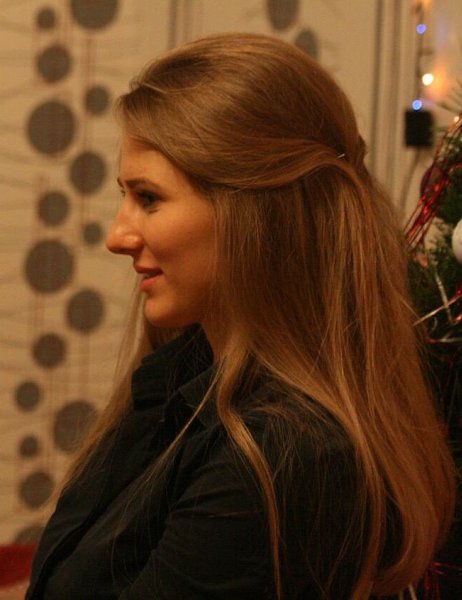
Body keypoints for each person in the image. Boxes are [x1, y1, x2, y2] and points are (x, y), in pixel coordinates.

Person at [26, 33, 455, 599]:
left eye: (148, 198)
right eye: (124, 195)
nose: (117, 235)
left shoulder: (283, 461)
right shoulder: (181, 381)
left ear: (254, 213)